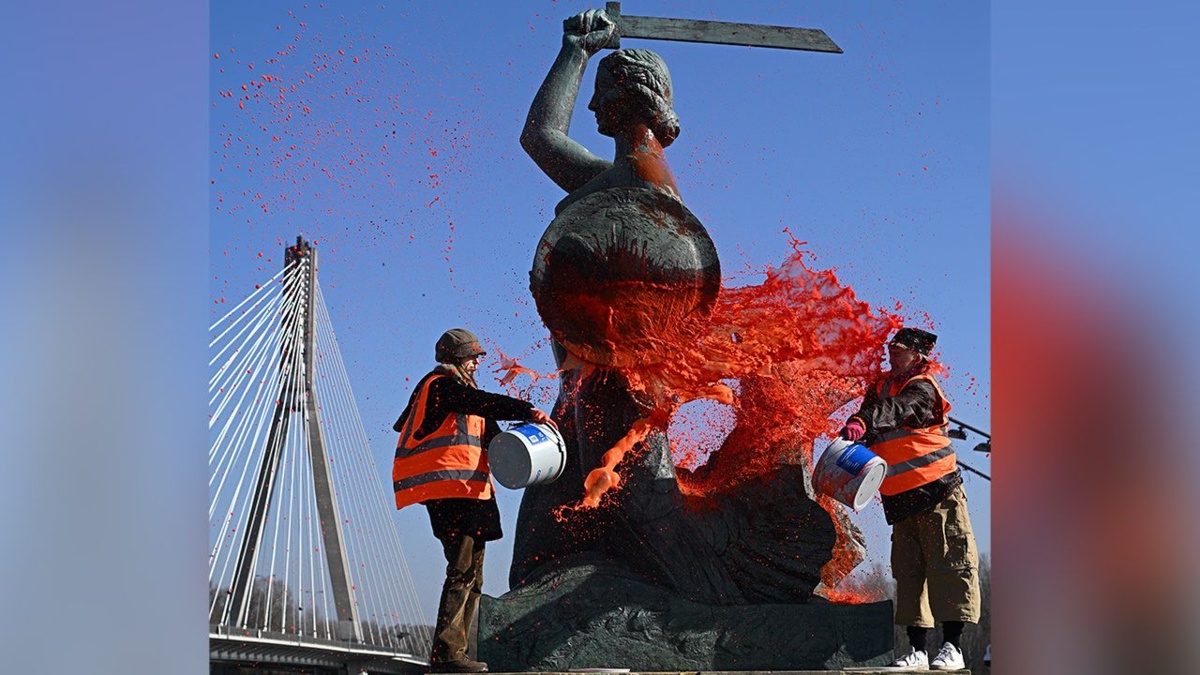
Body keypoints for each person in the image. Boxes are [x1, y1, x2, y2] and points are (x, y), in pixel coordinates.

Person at [392, 328, 554, 674]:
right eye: (473, 356)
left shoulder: (463, 393)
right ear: (457, 357)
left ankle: (456, 652)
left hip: (467, 492)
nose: (478, 362)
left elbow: (493, 438)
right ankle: (448, 655)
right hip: (449, 490)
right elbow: (483, 404)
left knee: (473, 574)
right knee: (462, 570)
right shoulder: (441, 387)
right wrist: (529, 411)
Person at [841, 327, 981, 671]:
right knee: (909, 573)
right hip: (900, 499)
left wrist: (864, 419)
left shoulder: (923, 388)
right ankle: (917, 650)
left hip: (937, 491)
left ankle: (952, 647)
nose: (892, 353)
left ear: (918, 356)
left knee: (950, 566)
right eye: (891, 347)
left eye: (899, 349)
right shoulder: (880, 387)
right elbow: (873, 418)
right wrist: (855, 433)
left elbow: (897, 410)